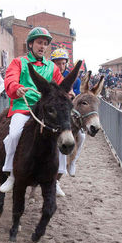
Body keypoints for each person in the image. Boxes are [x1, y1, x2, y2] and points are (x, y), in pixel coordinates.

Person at [0, 27, 72, 193]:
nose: (42, 46)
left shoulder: (51, 67)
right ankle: (11, 173)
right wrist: (16, 88)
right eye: (39, 42)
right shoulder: (18, 62)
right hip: (23, 106)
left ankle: (57, 178)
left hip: (44, 110)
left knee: (62, 133)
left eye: (45, 44)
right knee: (15, 134)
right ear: (30, 44)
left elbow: (61, 84)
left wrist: (69, 92)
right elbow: (10, 80)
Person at [50, 48, 83, 197]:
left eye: (63, 63)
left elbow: (76, 97)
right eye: (57, 63)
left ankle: (73, 161)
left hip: (69, 110)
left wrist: (73, 96)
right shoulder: (49, 76)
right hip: (54, 111)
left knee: (81, 136)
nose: (60, 66)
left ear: (66, 63)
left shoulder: (75, 79)